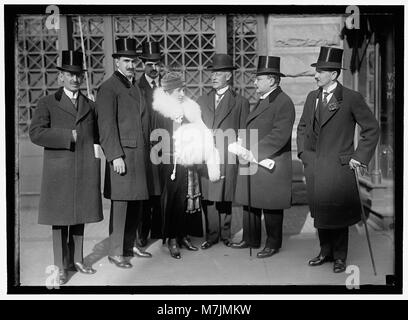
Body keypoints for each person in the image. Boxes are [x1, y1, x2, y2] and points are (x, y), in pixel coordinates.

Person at [297, 46, 380, 273]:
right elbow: (303, 127)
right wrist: (303, 153)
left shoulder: (351, 98)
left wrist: (359, 157)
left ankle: (340, 257)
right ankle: (325, 252)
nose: (316, 75)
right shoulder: (312, 97)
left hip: (338, 167)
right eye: (317, 70)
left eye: (321, 71)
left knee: (338, 213)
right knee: (321, 212)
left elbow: (371, 129)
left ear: (333, 75)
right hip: (314, 165)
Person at [29, 50, 103, 285]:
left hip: (84, 167)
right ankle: (60, 266)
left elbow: (99, 135)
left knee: (81, 215)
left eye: (78, 74)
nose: (74, 79)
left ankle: (77, 260)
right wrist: (66, 136)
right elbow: (35, 133)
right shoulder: (47, 103)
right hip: (59, 171)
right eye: (69, 74)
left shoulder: (90, 105)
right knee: (60, 220)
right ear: (60, 77)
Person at [151, 72, 221, 259]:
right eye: (177, 90)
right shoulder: (160, 111)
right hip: (169, 163)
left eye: (183, 89)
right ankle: (172, 238)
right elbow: (156, 137)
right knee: (173, 201)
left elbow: (199, 131)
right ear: (167, 92)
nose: (182, 93)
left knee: (187, 200)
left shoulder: (190, 109)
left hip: (188, 161)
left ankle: (184, 235)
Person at [96, 38, 152, 269]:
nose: (131, 65)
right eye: (126, 60)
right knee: (121, 206)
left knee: (136, 204)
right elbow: (106, 126)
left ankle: (129, 246)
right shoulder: (109, 88)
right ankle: (116, 251)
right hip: (122, 156)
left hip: (139, 155)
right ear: (117, 62)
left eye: (133, 61)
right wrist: (114, 155)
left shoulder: (135, 87)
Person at [232, 56, 295, 259]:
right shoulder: (265, 99)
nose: (254, 82)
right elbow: (254, 127)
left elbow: (279, 135)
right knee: (251, 201)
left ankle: (273, 243)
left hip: (270, 161)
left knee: (271, 205)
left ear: (271, 80)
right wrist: (242, 142)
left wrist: (253, 152)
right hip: (254, 159)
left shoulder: (283, 102)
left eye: (258, 79)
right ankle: (250, 239)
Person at [196, 53, 249, 250]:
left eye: (218, 73)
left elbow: (243, 132)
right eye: (212, 72)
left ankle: (225, 234)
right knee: (208, 196)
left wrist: (239, 154)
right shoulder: (201, 100)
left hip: (227, 154)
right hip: (207, 154)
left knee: (225, 195)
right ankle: (211, 235)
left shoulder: (241, 102)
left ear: (228, 75)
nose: (214, 76)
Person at [136, 41, 163, 248]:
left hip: (166, 146)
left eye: (157, 64)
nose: (154, 69)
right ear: (143, 65)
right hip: (145, 148)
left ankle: (161, 231)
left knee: (163, 190)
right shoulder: (136, 89)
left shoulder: (168, 86)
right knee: (146, 193)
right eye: (149, 65)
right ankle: (142, 234)